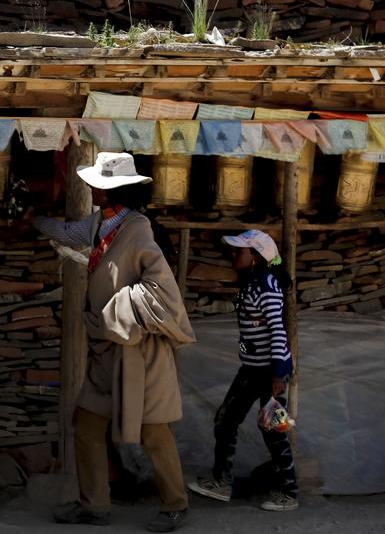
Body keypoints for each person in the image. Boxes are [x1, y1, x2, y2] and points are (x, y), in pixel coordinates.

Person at [32, 152, 196, 533]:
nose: (90, 189)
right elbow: (70, 234)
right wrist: (36, 220)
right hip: (107, 352)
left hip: (140, 351)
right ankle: (95, 506)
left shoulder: (139, 230)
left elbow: (161, 291)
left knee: (153, 431)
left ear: (113, 191)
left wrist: (116, 311)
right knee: (86, 425)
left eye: (98, 186)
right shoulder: (100, 225)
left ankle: (175, 504)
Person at [186, 229, 299, 512]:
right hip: (252, 369)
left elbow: (276, 330)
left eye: (240, 251)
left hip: (269, 372)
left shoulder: (267, 285)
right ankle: (221, 481)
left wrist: (278, 373)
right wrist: (246, 356)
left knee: (274, 430)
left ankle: (289, 493)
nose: (234, 255)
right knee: (226, 420)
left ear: (256, 258)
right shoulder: (252, 283)